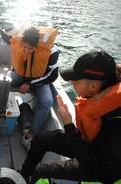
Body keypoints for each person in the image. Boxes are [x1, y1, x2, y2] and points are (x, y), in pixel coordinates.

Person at [19, 50, 121, 183]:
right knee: (41, 139)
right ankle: (23, 175)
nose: (71, 82)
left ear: (94, 86)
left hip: (102, 169)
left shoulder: (116, 124)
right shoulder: (98, 93)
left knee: (41, 171)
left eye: (76, 79)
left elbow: (96, 166)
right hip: (88, 145)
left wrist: (68, 124)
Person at [10, 25, 59, 149]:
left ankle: (31, 134)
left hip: (40, 80)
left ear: (37, 46)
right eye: (24, 47)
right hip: (21, 74)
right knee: (2, 82)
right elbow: (16, 65)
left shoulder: (51, 53)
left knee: (47, 101)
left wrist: (30, 84)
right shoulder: (20, 45)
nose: (26, 50)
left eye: (30, 48)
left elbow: (52, 76)